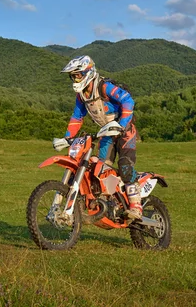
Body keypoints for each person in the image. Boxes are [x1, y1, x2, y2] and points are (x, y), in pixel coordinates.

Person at [54, 55, 141, 220]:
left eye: (78, 74)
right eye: (72, 76)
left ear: (88, 71)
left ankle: (136, 206)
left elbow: (128, 100)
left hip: (124, 130)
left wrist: (121, 124)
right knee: (100, 169)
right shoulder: (81, 96)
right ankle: (108, 202)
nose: (75, 78)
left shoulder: (104, 87)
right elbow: (77, 117)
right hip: (106, 133)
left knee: (125, 165)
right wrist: (67, 138)